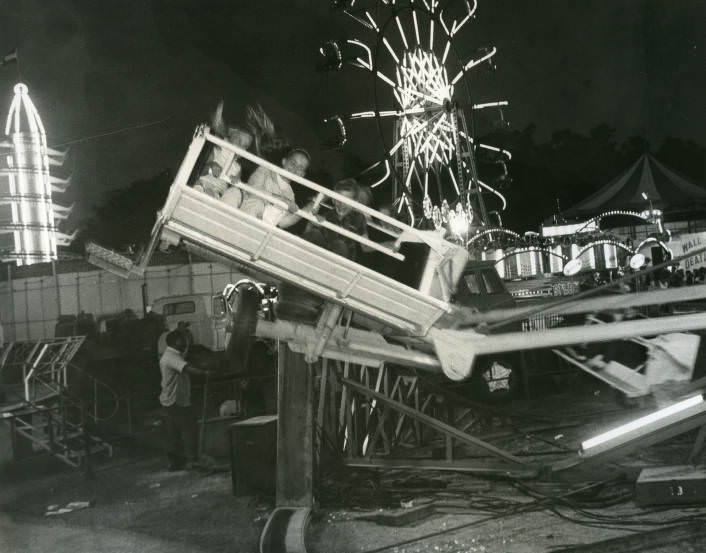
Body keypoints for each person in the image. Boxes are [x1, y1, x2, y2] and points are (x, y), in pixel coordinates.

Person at [159, 330, 211, 471]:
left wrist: (187, 344)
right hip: (175, 401)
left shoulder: (172, 354)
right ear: (175, 341)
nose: (185, 342)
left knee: (174, 431)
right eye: (182, 340)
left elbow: (184, 359)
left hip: (173, 400)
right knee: (188, 428)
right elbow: (187, 368)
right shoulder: (171, 357)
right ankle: (192, 459)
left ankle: (177, 463)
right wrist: (205, 373)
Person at [240, 147, 312, 229]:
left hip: (259, 228)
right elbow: (252, 190)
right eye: (293, 163)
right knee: (257, 203)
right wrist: (281, 199)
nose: (295, 169)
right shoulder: (265, 170)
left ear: (302, 175)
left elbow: (282, 223)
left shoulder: (290, 196)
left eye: (300, 168)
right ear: (284, 161)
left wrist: (308, 209)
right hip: (242, 214)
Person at [304, 178, 368, 261]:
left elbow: (366, 246)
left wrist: (387, 245)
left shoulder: (359, 218)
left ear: (355, 202)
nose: (341, 205)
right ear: (333, 200)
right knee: (315, 233)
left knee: (339, 245)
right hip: (324, 252)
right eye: (338, 200)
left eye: (346, 201)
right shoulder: (327, 213)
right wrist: (313, 221)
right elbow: (309, 232)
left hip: (343, 259)